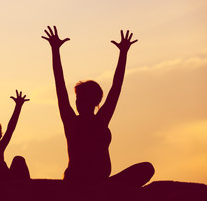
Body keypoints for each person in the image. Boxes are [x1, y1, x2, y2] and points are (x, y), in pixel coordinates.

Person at [42, 26, 154, 187]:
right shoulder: (71, 121)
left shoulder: (101, 120)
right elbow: (59, 84)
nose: (79, 102)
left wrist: (123, 53)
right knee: (74, 175)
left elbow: (117, 87)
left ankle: (106, 191)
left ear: (95, 102)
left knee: (146, 168)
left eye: (84, 99)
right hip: (78, 180)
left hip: (102, 184)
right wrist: (55, 50)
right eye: (78, 98)